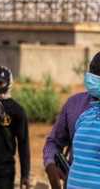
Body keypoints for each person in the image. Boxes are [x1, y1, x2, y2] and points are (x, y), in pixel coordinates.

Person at [43, 52, 100, 189]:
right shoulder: (75, 105)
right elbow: (54, 142)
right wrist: (51, 165)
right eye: (92, 71)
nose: (92, 78)